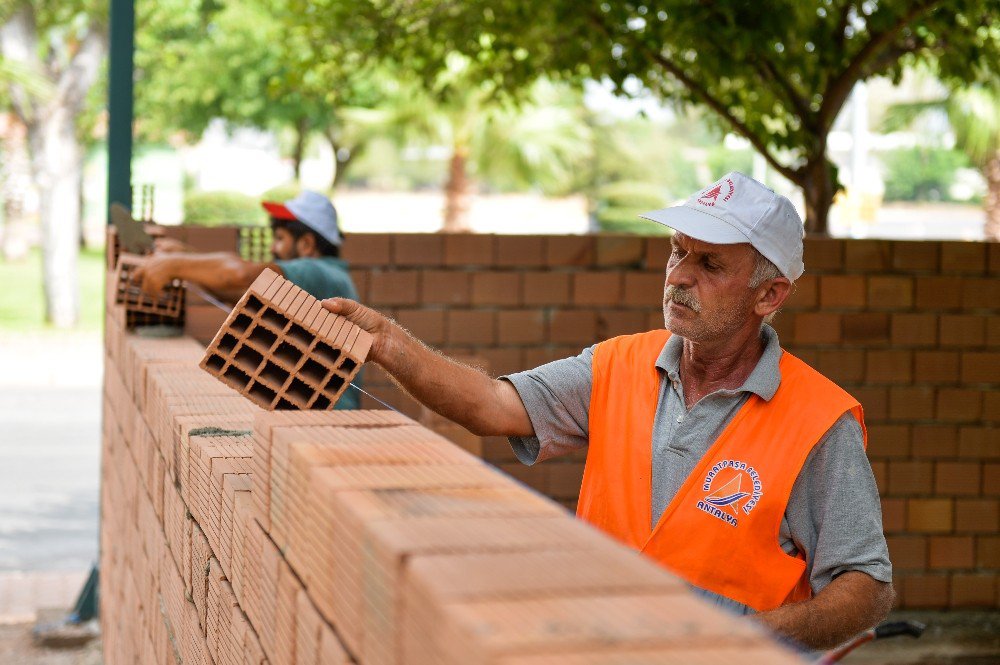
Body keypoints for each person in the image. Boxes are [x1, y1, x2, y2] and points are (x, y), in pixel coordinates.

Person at [320, 172, 894, 650]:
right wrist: (391, 345)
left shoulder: (818, 420)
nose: (678, 276)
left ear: (770, 295)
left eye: (711, 265)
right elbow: (494, 404)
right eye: (677, 251)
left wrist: (740, 639)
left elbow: (865, 586)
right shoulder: (618, 365)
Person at [135, 190, 361, 409]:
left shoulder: (316, 272)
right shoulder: (331, 277)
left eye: (280, 238)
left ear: (306, 245)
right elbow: (240, 291)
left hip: (326, 421)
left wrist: (176, 264)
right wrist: (185, 258)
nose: (273, 247)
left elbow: (239, 277)